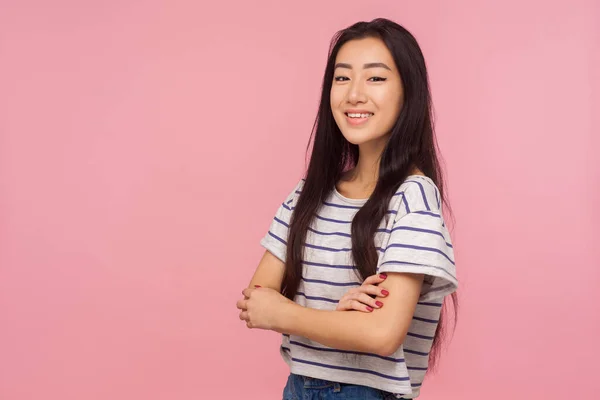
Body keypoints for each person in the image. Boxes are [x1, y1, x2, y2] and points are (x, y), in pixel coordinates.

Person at [236, 17, 458, 399]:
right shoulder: (310, 193)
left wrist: (288, 314)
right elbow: (256, 299)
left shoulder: (413, 197)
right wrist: (335, 321)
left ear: (409, 92)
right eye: (342, 78)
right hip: (298, 388)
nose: (354, 94)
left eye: (375, 78)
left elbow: (382, 334)